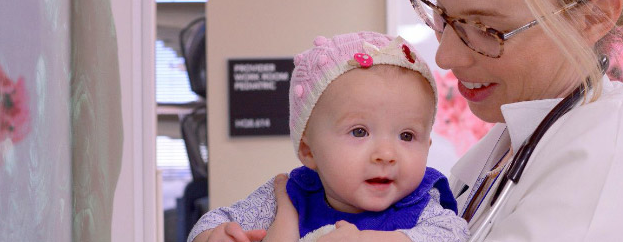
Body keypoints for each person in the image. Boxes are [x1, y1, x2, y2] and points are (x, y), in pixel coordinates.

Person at [404, 0, 623, 240]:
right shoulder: (519, 135)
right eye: (440, 12)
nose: (445, 57)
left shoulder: (610, 165)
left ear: (593, 19)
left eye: (486, 29)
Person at [188, 31, 469, 242]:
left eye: (407, 136)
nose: (386, 153)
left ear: (427, 146)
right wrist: (216, 235)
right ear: (309, 151)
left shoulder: (419, 202)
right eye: (359, 132)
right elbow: (214, 221)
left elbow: (455, 233)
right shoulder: (291, 194)